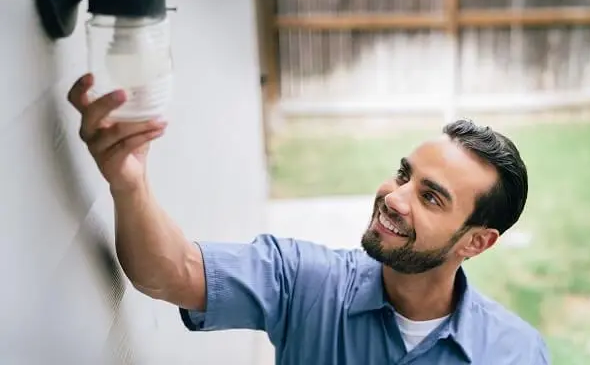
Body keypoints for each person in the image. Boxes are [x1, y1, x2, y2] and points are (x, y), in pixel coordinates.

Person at [69, 73, 550, 364]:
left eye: (431, 198)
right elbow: (171, 273)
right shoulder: (303, 280)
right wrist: (129, 185)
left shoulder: (517, 353)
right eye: (404, 175)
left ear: (476, 243)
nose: (395, 198)